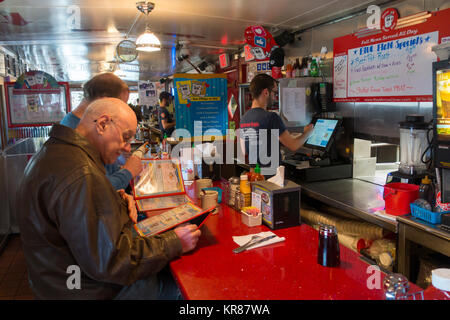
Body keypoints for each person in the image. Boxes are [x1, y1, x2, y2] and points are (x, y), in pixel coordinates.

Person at [17, 98, 202, 299]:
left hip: (59, 283)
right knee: (188, 288)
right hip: (89, 290)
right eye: (126, 137)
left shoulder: (56, 153)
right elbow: (113, 261)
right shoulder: (82, 173)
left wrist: (115, 201)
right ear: (103, 124)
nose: (127, 148)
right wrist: (175, 242)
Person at [60, 72, 142, 190]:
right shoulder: (73, 131)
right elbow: (94, 189)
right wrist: (128, 171)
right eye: (120, 104)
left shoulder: (81, 126)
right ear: (104, 100)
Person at [239, 74, 314, 175]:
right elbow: (293, 146)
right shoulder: (271, 117)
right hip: (271, 178)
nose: (275, 97)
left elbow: (245, 151)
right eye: (274, 92)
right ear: (266, 92)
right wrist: (307, 133)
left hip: (255, 176)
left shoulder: (244, 118)